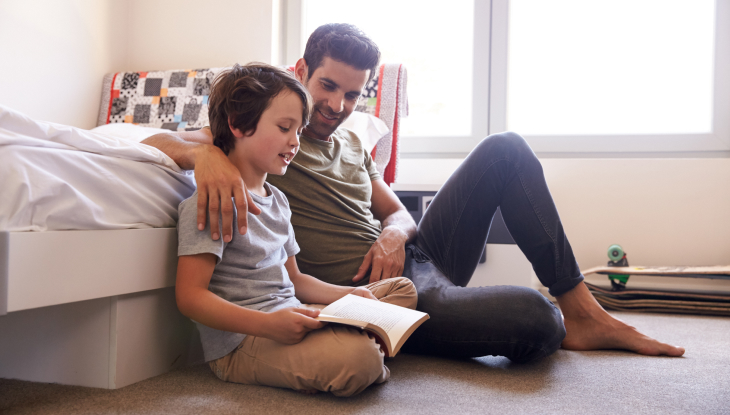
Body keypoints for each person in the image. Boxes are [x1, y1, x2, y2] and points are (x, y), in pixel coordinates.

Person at [146, 24, 685, 362]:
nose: (336, 105)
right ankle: (554, 320)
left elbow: (400, 211)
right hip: (370, 288)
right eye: (327, 86)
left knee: (505, 147)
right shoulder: (269, 139)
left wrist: (393, 233)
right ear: (302, 72)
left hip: (414, 259)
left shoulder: (354, 143)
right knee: (534, 320)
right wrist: (206, 155)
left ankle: (585, 312)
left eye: (352, 94)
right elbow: (153, 140)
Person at [174, 62, 418, 397]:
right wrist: (269, 325)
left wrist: (349, 295)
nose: (295, 142)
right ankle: (363, 353)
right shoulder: (212, 201)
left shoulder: (279, 201)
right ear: (237, 125)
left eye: (298, 131)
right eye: (284, 128)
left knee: (402, 290)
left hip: (290, 314)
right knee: (358, 360)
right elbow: (190, 298)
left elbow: (297, 280)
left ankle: (357, 344)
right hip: (245, 339)